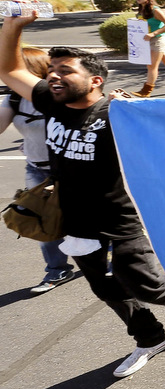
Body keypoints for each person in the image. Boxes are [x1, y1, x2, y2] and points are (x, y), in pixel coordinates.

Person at [0, 14, 165, 377]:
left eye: (65, 70)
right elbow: (9, 71)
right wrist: (12, 29)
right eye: (51, 69)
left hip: (118, 223)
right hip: (76, 225)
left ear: (95, 80)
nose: (54, 75)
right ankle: (150, 338)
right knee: (107, 289)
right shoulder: (51, 102)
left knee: (153, 289)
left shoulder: (115, 114)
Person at [0, 47, 74, 293]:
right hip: (37, 170)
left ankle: (108, 252)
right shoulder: (13, 98)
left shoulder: (63, 96)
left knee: (86, 217)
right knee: (43, 222)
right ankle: (57, 270)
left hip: (73, 169)